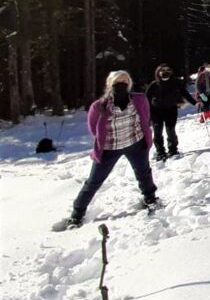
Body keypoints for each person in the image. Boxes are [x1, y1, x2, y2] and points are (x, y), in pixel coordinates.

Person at [59, 71, 158, 229]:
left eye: (125, 81)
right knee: (94, 181)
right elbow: (94, 129)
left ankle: (150, 199)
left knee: (143, 172)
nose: (122, 84)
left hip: (135, 143)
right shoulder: (99, 106)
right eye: (118, 81)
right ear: (109, 84)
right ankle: (77, 214)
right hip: (109, 148)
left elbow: (145, 118)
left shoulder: (139, 99)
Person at [145, 64, 197, 160]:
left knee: (170, 130)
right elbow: (146, 99)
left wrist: (195, 103)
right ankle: (160, 152)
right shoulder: (154, 84)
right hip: (156, 111)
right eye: (162, 72)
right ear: (158, 73)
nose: (165, 75)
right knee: (157, 132)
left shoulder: (176, 82)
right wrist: (146, 113)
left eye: (167, 72)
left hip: (171, 110)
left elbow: (184, 93)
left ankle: (173, 150)